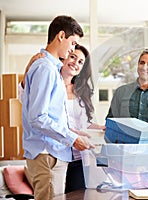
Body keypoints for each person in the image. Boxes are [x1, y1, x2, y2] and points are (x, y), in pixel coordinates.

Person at [21, 15, 94, 200]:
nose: (72, 48)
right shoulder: (45, 68)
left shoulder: (52, 69)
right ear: (61, 36)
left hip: (53, 153)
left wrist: (73, 132)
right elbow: (37, 117)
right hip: (47, 153)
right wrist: (72, 138)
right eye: (73, 43)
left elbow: (50, 116)